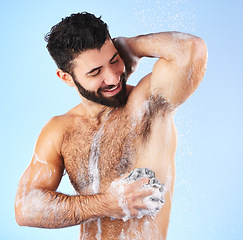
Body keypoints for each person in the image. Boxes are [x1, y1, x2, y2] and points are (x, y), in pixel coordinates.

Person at [15, 12, 207, 239]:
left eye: (114, 60)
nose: (114, 78)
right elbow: (26, 208)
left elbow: (191, 50)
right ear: (66, 78)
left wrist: (130, 46)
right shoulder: (60, 130)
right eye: (96, 72)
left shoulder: (148, 104)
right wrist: (108, 203)